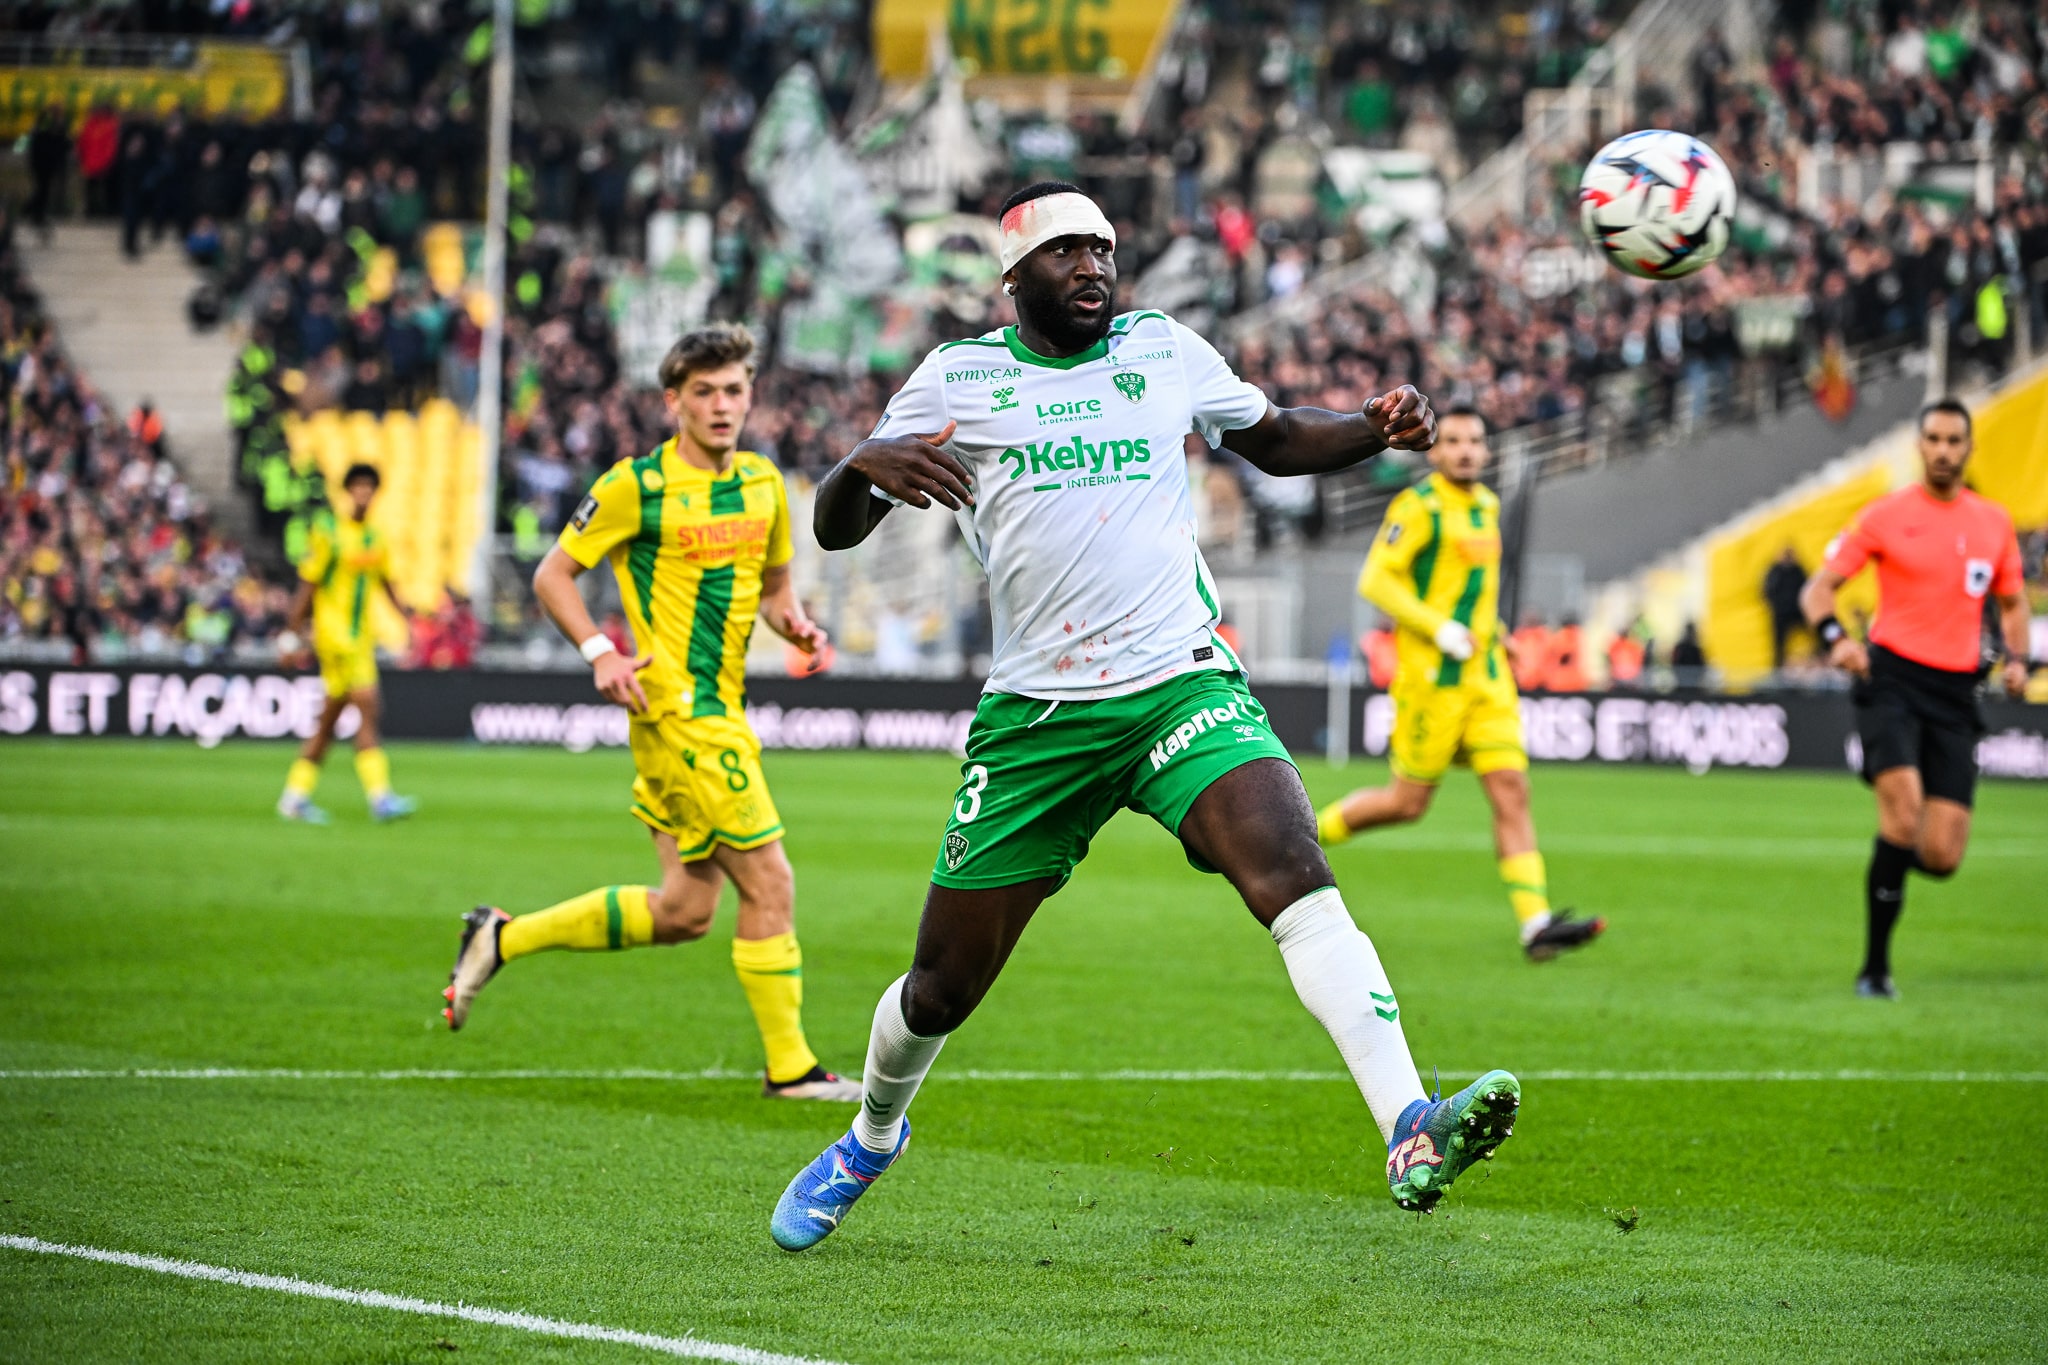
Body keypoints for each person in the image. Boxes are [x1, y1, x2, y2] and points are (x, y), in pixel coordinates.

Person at [769, 183, 1521, 1253]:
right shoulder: (959, 377)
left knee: (1292, 872)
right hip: (1039, 721)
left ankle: (1407, 1126)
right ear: (1013, 277)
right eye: (1065, 251)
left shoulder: (1162, 350)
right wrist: (855, 468)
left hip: (1179, 682)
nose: (1090, 267)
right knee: (940, 985)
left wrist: (1369, 428)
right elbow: (839, 528)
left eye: (1103, 251)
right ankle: (869, 1136)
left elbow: (1270, 437)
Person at [441, 323, 859, 1103]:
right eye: (703, 391)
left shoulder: (766, 484)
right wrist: (601, 649)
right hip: (675, 712)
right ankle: (792, 1067)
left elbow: (773, 592)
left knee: (685, 909)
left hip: (722, 708)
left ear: (750, 394)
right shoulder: (638, 485)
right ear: (674, 401)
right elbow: (553, 574)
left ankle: (502, 935)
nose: (721, 404)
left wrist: (795, 625)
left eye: (734, 389)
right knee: (770, 880)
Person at [1313, 408, 1604, 960]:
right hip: (1432, 682)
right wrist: (1438, 628)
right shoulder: (1419, 507)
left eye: (1475, 440)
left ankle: (1535, 923)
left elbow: (1470, 591)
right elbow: (1376, 579)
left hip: (1488, 679)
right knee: (1406, 804)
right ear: (1436, 451)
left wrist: (1495, 632)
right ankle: (1305, 835)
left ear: (1487, 451)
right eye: (1454, 441)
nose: (1466, 449)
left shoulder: (1488, 505)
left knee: (1512, 790)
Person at [1800, 399, 2030, 999]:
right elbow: (1817, 590)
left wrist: (2020, 660)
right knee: (1902, 816)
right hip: (1891, 681)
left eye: (1955, 440)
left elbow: (2012, 602)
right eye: (1933, 438)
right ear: (1919, 445)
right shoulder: (1884, 517)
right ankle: (1874, 969)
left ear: (1970, 448)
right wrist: (1836, 640)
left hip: (1957, 695)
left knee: (1941, 855)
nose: (1944, 450)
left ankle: (1881, 783)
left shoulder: (1994, 523)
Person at [277, 463, 418, 824]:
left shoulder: (375, 537)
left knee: (328, 723)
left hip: (359, 638)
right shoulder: (329, 533)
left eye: (369, 487)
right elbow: (307, 586)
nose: (363, 493)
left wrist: (407, 620)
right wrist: (291, 635)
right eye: (357, 486)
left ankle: (294, 797)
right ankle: (380, 797)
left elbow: (386, 583)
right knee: (369, 707)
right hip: (337, 639)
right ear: (347, 490)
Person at [1764, 547, 1807, 670]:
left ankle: (1823, 657)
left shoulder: (1798, 570)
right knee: (1779, 644)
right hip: (1781, 613)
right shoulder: (1775, 571)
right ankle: (1777, 667)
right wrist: (1778, 605)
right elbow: (1768, 590)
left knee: (1816, 634)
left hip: (1797, 610)